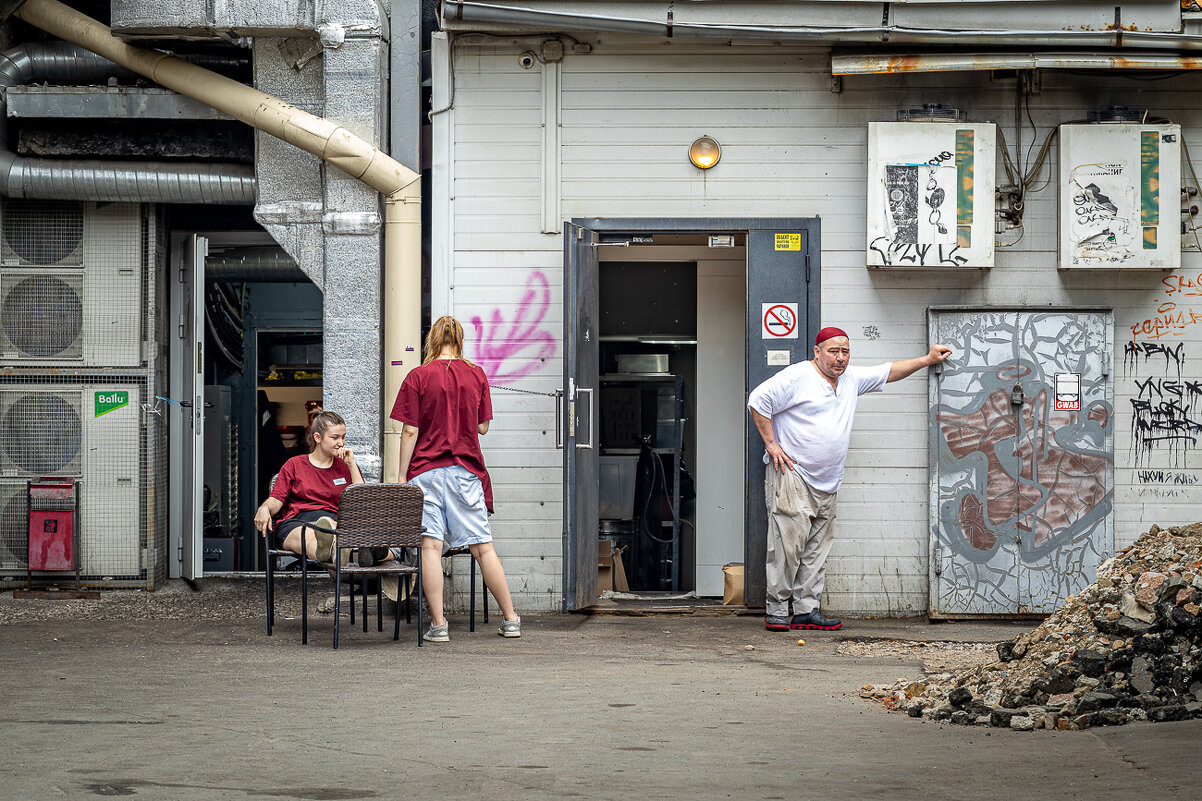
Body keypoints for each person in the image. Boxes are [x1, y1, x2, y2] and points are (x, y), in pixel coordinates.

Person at [747, 327, 952, 632]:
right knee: (787, 547)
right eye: (833, 351)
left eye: (845, 351)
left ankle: (806, 611)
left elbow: (890, 372)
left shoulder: (850, 379)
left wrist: (926, 359)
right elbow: (758, 401)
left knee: (817, 548)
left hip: (828, 481)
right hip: (793, 476)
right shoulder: (799, 376)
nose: (840, 358)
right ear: (817, 352)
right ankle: (777, 609)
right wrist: (771, 444)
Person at [390, 315, 521, 642]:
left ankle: (439, 625)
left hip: (427, 472)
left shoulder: (418, 376)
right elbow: (482, 427)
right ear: (459, 340)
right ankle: (511, 619)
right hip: (465, 470)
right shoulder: (476, 374)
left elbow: (409, 430)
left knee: (430, 546)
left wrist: (401, 474)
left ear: (432, 339)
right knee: (483, 548)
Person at [254, 410, 375, 565]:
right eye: (335, 437)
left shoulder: (345, 466)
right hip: (297, 522)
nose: (341, 443)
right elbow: (276, 499)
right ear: (317, 437)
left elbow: (363, 502)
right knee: (314, 536)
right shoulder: (295, 464)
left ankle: (347, 552)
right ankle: (354, 553)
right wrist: (264, 508)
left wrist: (351, 464)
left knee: (339, 529)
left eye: (343, 437)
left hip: (335, 523)